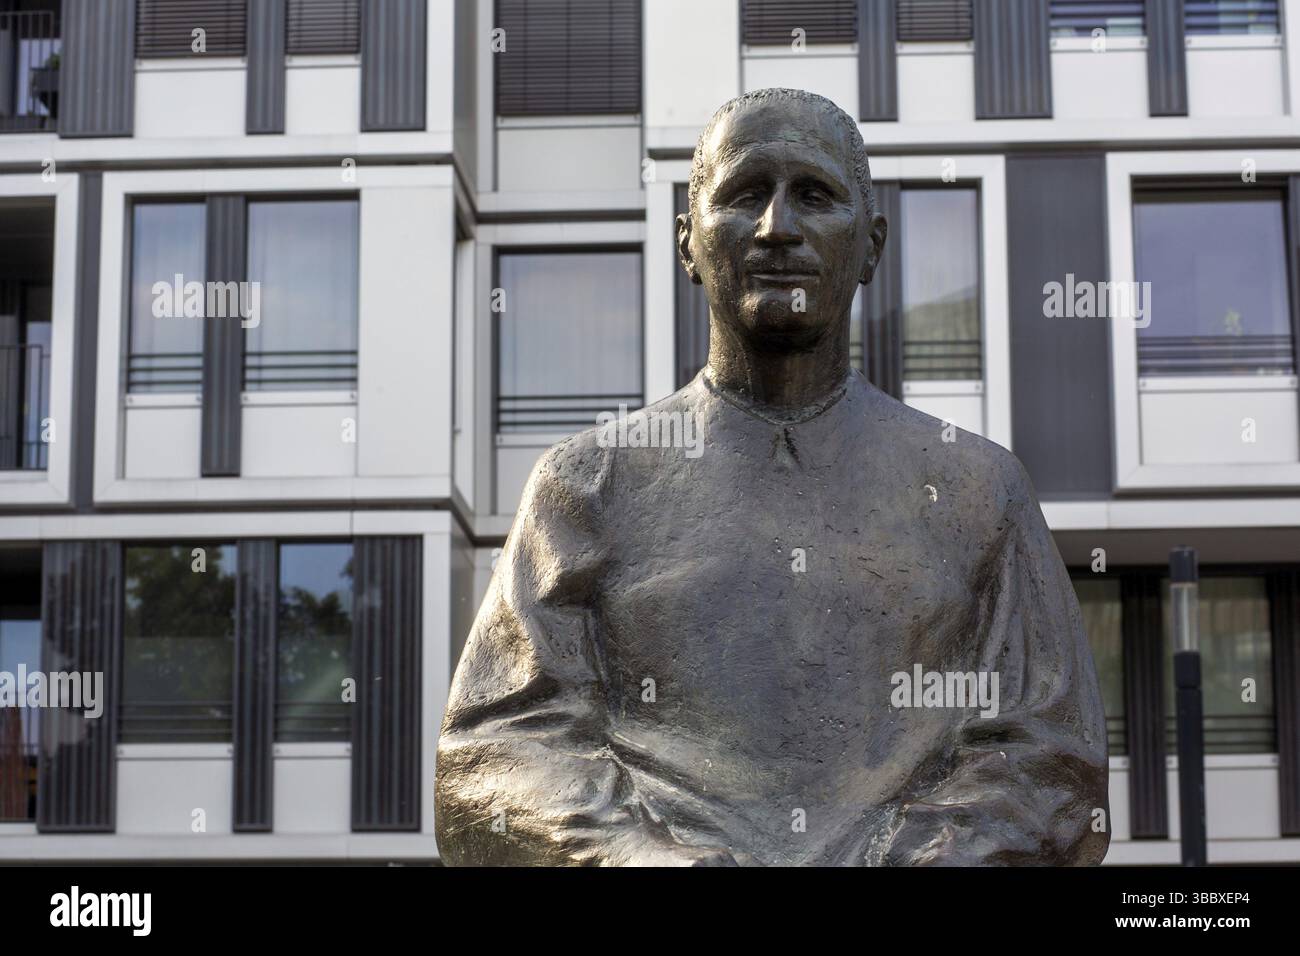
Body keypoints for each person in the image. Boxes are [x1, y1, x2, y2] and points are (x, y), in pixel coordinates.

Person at [435, 88, 1109, 866]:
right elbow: (492, 754)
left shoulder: (979, 487)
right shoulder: (585, 483)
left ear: (871, 247)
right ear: (689, 243)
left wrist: (930, 856)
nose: (777, 227)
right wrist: (637, 856)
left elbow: (1051, 755)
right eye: (744, 195)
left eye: (814, 196)